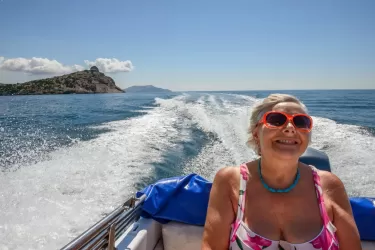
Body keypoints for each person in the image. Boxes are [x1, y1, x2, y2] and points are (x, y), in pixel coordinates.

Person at [201, 94, 361, 250]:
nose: (290, 128)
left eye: (301, 122)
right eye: (276, 120)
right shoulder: (230, 181)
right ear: (256, 132)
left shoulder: (330, 185)